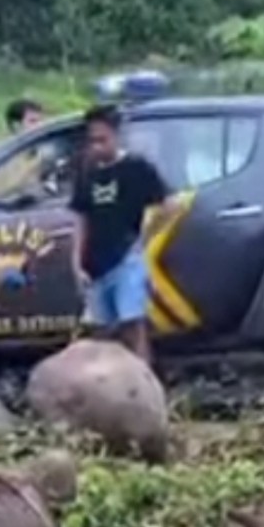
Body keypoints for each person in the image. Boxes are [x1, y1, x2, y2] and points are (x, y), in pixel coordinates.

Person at [71, 103, 179, 364]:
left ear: (116, 136)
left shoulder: (136, 168)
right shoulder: (87, 173)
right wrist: (75, 261)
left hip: (126, 259)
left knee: (133, 326)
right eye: (92, 140)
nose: (96, 147)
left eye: (102, 140)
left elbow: (169, 206)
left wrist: (144, 239)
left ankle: (143, 386)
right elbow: (80, 218)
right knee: (101, 333)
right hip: (95, 265)